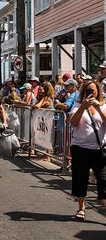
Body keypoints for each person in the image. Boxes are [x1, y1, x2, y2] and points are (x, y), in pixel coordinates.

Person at [69, 80, 106, 220]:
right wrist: (82, 107)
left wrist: (97, 108)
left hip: (99, 150)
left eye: (94, 90)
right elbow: (73, 123)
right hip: (80, 148)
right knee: (80, 179)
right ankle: (81, 207)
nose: (91, 92)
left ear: (98, 92)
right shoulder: (78, 105)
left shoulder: (103, 106)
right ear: (84, 92)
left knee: (103, 180)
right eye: (88, 90)